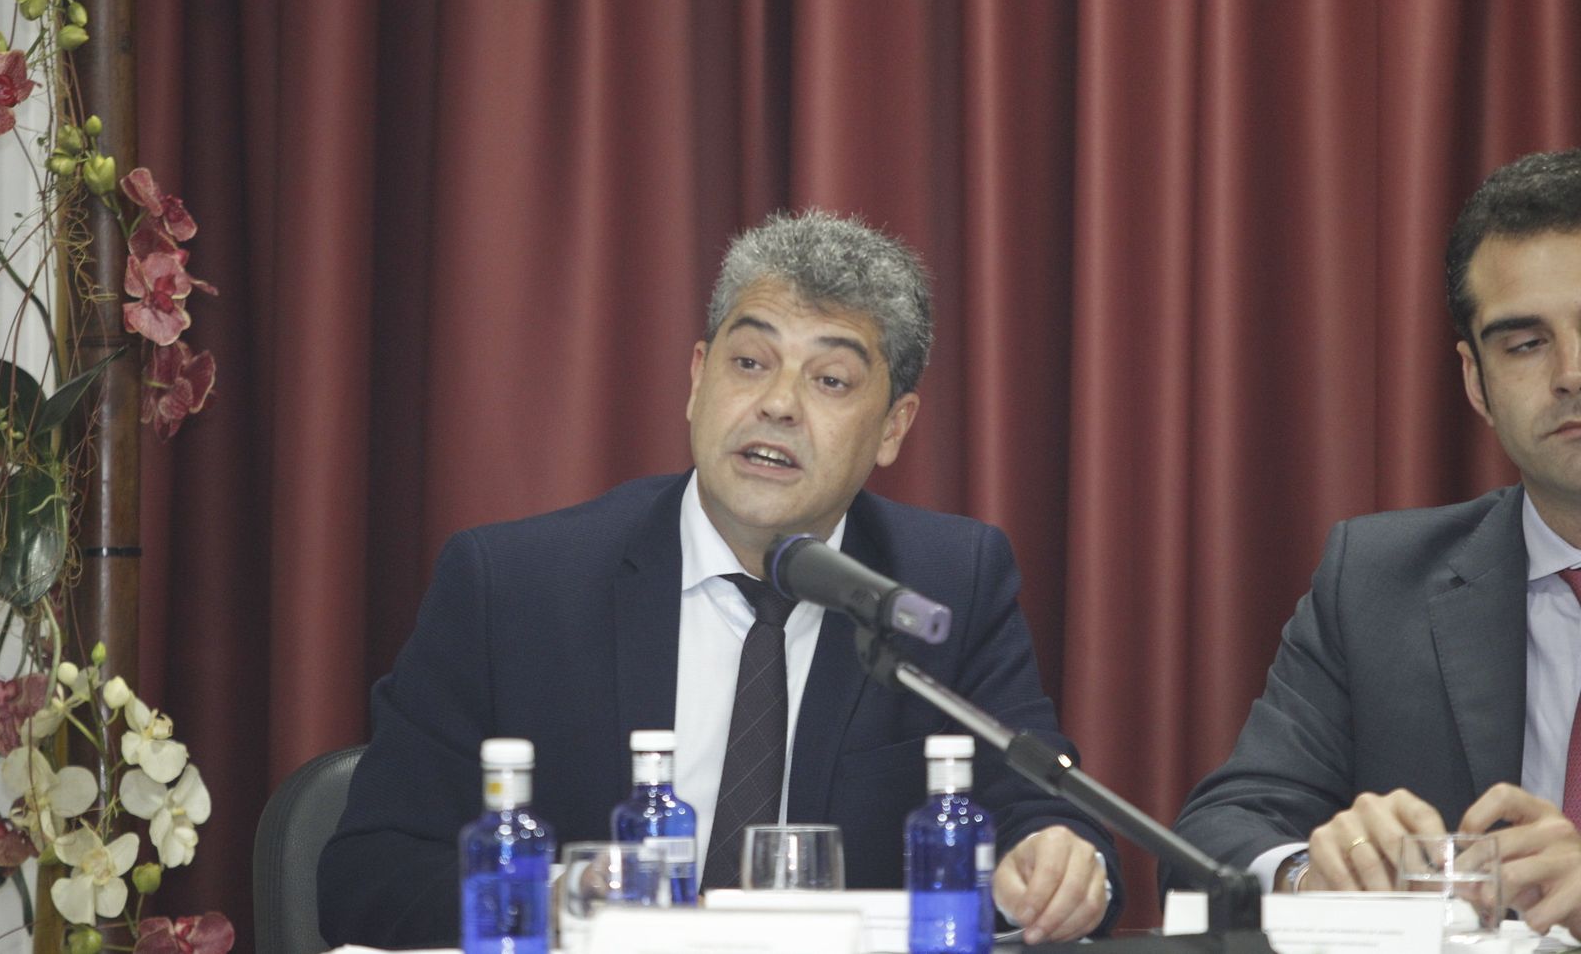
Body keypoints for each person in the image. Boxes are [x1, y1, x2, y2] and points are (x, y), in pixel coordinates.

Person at [318, 210, 1124, 947]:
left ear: (893, 428)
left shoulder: (944, 585)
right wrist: (565, 897)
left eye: (830, 380)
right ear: (698, 379)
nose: (777, 403)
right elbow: (368, 874)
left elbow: (1045, 814)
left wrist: (1056, 861)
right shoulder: (513, 587)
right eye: (750, 361)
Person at [1167, 149, 1581, 936]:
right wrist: (1307, 871)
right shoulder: (1378, 580)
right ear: (1475, 383)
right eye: (1524, 342)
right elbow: (1208, 843)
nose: (1571, 370)